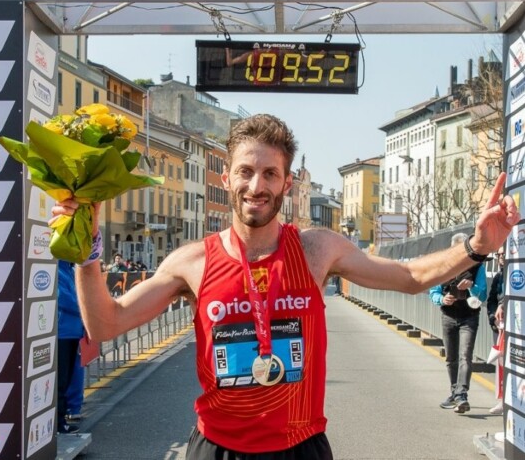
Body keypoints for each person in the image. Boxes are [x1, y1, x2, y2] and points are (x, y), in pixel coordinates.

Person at [50, 114, 519, 459]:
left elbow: (410, 277)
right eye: (245, 171)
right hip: (217, 449)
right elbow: (107, 324)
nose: (257, 185)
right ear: (226, 177)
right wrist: (86, 254)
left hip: (300, 448)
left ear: (287, 183)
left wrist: (476, 247)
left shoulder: (317, 249)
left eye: (270, 173)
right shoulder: (192, 262)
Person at [429, 233, 488, 414]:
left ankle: (462, 395)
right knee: (451, 358)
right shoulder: (443, 266)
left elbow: (483, 294)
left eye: (464, 249)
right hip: (448, 316)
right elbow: (433, 291)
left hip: (469, 317)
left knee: (465, 356)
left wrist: (471, 287)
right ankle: (454, 393)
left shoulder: (478, 266)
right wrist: (442, 299)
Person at [57, 260, 84, 434]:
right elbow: (64, 299)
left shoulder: (69, 269)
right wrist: (87, 309)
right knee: (60, 381)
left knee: (66, 380)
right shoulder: (56, 269)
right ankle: (58, 423)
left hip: (73, 331)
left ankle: (62, 419)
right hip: (62, 333)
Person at [487, 247, 505, 415]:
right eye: (498, 255)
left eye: (503, 254)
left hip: (517, 328)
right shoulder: (498, 276)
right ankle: (503, 400)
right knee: (501, 365)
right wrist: (493, 318)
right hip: (500, 328)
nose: (500, 257)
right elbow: (491, 300)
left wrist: (504, 305)